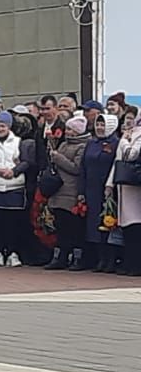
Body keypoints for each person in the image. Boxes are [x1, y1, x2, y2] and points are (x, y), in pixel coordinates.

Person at [0, 111, 33, 268]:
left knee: (13, 223)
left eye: (3, 125)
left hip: (14, 186)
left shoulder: (18, 142)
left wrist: (14, 171)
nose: (0, 128)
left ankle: (13, 253)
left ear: (9, 126)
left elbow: (26, 161)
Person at [44, 116, 88, 271]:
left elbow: (76, 168)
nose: (67, 132)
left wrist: (58, 158)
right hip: (58, 189)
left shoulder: (82, 146)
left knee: (72, 227)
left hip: (71, 190)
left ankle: (75, 257)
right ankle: (60, 256)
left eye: (70, 129)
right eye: (67, 129)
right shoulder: (63, 144)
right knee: (60, 226)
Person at [82, 114, 119, 272]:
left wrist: (110, 186)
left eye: (103, 125)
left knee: (108, 223)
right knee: (94, 225)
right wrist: (81, 191)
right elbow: (83, 167)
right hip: (91, 188)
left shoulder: (115, 143)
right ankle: (99, 259)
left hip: (107, 188)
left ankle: (110, 259)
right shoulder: (91, 143)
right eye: (98, 125)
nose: (100, 128)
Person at [107, 118, 141, 276]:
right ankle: (130, 264)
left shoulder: (136, 136)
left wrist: (125, 141)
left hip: (134, 186)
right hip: (124, 186)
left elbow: (130, 155)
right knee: (127, 228)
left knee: (135, 227)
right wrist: (110, 183)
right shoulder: (129, 134)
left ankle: (135, 265)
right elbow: (117, 161)